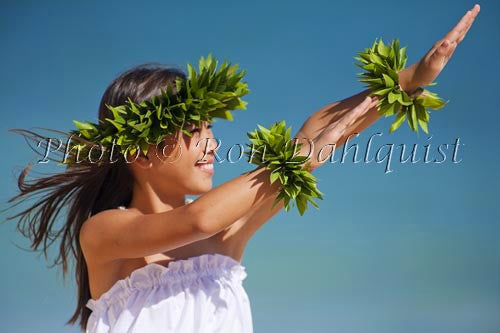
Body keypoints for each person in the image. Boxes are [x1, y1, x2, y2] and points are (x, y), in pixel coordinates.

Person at [3, 4, 480, 332]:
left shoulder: (224, 244)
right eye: (194, 130)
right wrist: (298, 158)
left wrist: (409, 80)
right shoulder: (106, 235)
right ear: (142, 153)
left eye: (210, 127)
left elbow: (314, 135)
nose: (212, 143)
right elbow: (196, 220)